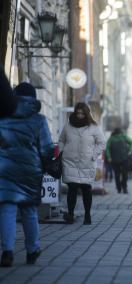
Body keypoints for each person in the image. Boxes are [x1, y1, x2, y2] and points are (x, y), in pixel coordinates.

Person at [0, 82, 55, 266]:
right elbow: (47, 148)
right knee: (29, 210)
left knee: (7, 209)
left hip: (5, 167)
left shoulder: (3, 117)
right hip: (30, 169)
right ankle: (32, 249)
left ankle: (7, 251)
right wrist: (48, 164)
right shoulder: (39, 119)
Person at [59, 103, 106, 225]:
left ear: (87, 114)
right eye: (78, 113)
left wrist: (93, 155)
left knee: (86, 189)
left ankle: (87, 215)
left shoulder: (94, 127)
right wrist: (62, 152)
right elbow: (61, 140)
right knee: (72, 189)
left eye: (82, 113)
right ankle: (70, 214)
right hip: (70, 162)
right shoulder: (68, 126)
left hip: (86, 163)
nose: (80, 115)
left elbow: (101, 143)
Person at [106, 128, 132, 193]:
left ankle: (122, 188)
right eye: (118, 134)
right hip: (118, 159)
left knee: (120, 174)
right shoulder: (112, 138)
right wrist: (108, 157)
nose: (119, 135)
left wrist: (130, 150)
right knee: (120, 174)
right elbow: (107, 148)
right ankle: (122, 187)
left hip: (121, 158)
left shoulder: (121, 137)